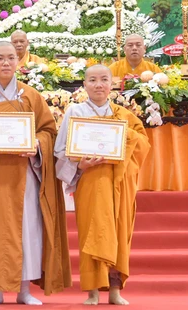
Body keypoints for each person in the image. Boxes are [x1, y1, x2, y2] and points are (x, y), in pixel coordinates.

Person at [0, 41, 71, 305]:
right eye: (0, 58)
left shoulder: (30, 95)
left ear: (18, 61)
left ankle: (24, 290)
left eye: (10, 58)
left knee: (27, 230)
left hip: (24, 174)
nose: (6, 62)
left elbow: (48, 131)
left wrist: (36, 146)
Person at [54, 64, 151, 306]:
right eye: (93, 80)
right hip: (90, 182)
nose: (99, 85)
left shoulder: (123, 115)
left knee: (118, 232)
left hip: (120, 183)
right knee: (93, 233)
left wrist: (125, 135)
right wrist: (80, 165)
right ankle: (93, 292)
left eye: (104, 80)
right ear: (84, 85)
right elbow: (60, 150)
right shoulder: (75, 112)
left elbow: (143, 145)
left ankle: (115, 290)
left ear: (112, 84)